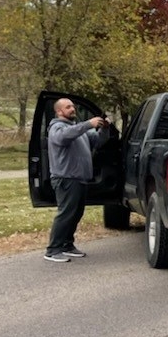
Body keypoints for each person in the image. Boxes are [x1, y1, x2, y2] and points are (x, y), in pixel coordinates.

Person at [44, 98, 110, 262]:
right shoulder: (57, 127)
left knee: (76, 213)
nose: (72, 109)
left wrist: (104, 129)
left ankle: (67, 245)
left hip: (79, 179)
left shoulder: (77, 129)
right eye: (68, 107)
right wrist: (88, 123)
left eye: (73, 106)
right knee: (66, 213)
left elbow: (99, 141)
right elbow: (62, 138)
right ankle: (53, 250)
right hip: (66, 178)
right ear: (59, 111)